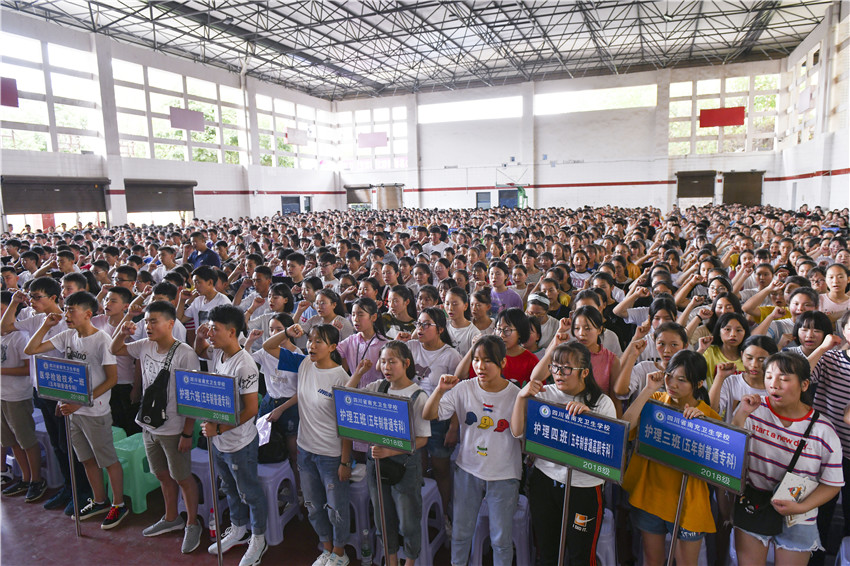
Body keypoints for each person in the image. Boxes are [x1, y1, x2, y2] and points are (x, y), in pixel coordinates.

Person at [24, 291, 128, 529]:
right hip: (73, 412)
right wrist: (45, 325)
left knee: (107, 460)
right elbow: (32, 350)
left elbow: (112, 379)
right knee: (86, 459)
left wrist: (81, 402)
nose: (66, 314)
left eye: (71, 310)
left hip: (95, 412)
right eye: (66, 308)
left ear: (88, 314)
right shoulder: (68, 335)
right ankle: (99, 500)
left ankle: (119, 505)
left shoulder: (102, 339)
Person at [512, 332, 615, 566]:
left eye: (566, 369)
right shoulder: (544, 395)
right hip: (544, 481)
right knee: (548, 551)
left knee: (581, 555)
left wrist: (592, 423)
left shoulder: (601, 403)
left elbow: (609, 454)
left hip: (584, 488)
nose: (558, 374)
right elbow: (517, 432)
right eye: (555, 368)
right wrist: (521, 398)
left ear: (585, 372)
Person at [732, 352, 844, 566]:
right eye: (769, 376)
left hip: (799, 514)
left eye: (783, 379)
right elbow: (730, 451)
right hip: (755, 504)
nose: (774, 384)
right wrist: (741, 414)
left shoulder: (824, 430)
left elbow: (832, 484)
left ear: (804, 385)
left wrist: (802, 507)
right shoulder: (753, 410)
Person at [111, 300, 203, 553]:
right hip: (149, 425)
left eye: (153, 321)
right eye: (146, 321)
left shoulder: (185, 353)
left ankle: (192, 523)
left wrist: (187, 432)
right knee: (162, 474)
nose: (147, 326)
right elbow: (115, 348)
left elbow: (192, 397)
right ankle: (171, 518)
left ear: (170, 323)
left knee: (182, 477)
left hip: (174, 429)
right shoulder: (144, 345)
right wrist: (123, 331)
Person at [423, 335, 522, 566]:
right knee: (461, 533)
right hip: (467, 469)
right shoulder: (463, 388)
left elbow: (520, 435)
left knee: (501, 540)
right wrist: (439, 390)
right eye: (476, 359)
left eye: (488, 360)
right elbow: (428, 414)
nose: (480, 366)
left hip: (504, 475)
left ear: (503, 364)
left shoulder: (516, 395)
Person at [263, 323, 353, 566]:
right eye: (310, 340)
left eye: (319, 342)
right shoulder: (303, 364)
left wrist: (345, 461)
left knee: (336, 507)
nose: (311, 346)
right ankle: (325, 548)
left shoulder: (340, 378)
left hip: (331, 455)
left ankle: (340, 553)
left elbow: (348, 426)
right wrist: (288, 333)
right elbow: (267, 346)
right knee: (313, 506)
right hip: (305, 450)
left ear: (333, 347)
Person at [622, 350, 719, 566]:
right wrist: (648, 390)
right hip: (651, 495)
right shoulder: (655, 400)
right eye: (669, 375)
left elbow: (719, 460)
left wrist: (704, 425)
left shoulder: (708, 415)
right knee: (652, 560)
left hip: (689, 501)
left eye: (682, 380)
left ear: (699, 383)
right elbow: (625, 427)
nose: (672, 383)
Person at [194, 305, 267, 566]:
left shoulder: (244, 364)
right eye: (210, 328)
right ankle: (238, 527)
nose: (210, 333)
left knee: (249, 491)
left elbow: (251, 409)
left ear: (232, 332)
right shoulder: (218, 354)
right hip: (218, 440)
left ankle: (258, 538)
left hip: (239, 442)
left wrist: (221, 429)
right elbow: (199, 350)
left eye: (215, 329)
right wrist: (200, 336)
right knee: (229, 487)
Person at [347, 341, 431, 566]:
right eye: (383, 361)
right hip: (377, 462)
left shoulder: (417, 396)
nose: (386, 367)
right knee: (383, 518)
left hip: (405, 465)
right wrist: (358, 373)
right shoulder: (378, 387)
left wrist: (389, 450)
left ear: (406, 364)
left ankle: (410, 562)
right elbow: (347, 398)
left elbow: (422, 439)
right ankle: (391, 560)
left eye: (392, 362)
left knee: (408, 521)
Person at [0, 291, 44, 503]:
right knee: (10, 440)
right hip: (2, 394)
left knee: (26, 439)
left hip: (18, 395)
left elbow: (29, 369)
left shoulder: (19, 335)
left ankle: (37, 479)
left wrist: (1, 372)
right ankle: (25, 477)